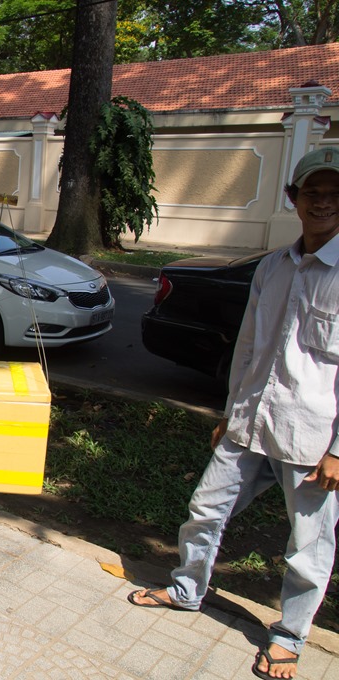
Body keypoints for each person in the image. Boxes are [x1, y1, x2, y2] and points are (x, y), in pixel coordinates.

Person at [127, 146, 339, 680]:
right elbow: (248, 347)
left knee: (308, 546)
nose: (324, 202)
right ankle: (186, 589)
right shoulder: (272, 267)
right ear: (293, 198)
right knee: (206, 507)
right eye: (313, 192)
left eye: (335, 194)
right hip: (251, 422)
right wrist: (230, 410)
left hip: (313, 437)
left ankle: (288, 637)